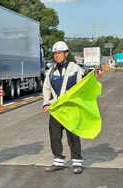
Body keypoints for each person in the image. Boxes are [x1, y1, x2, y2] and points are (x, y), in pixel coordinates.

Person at [42, 41, 84, 174]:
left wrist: (72, 94)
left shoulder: (75, 68)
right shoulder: (51, 71)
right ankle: (58, 161)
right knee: (55, 136)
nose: (56, 56)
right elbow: (46, 88)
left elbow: (82, 88)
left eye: (59, 53)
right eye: (55, 53)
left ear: (66, 53)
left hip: (71, 108)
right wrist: (46, 103)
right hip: (56, 109)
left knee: (73, 136)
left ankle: (77, 163)